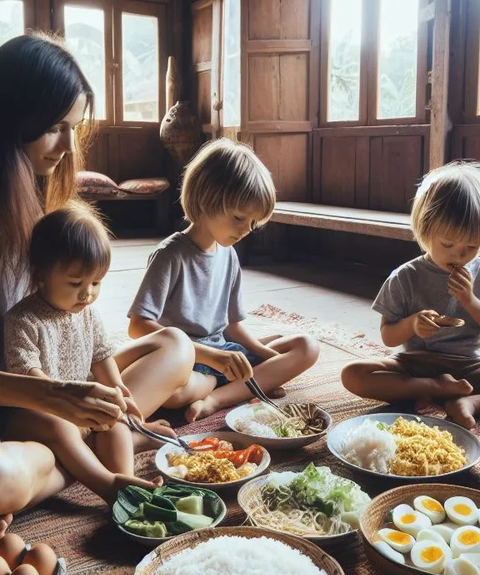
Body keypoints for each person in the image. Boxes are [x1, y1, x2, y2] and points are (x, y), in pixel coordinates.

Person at [0, 33, 194, 518]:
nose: (68, 146)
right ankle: (94, 455)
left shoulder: (45, 203)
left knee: (176, 347)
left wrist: (91, 395)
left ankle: (86, 449)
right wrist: (53, 395)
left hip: (61, 385)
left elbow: (80, 327)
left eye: (74, 128)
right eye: (53, 127)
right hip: (19, 399)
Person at [128, 138, 320, 422]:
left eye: (253, 223)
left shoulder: (228, 254)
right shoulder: (170, 255)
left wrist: (264, 354)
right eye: (240, 217)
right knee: (174, 395)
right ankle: (242, 386)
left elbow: (231, 326)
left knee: (307, 346)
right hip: (186, 360)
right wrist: (211, 357)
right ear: (207, 200)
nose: (246, 230)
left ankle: (215, 400)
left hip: (224, 353)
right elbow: (138, 327)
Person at [4, 203, 182, 504]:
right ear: (41, 273)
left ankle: (127, 477)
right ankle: (108, 484)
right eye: (75, 284)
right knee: (58, 426)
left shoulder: (87, 314)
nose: (87, 294)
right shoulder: (23, 320)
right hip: (40, 413)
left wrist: (120, 394)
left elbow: (101, 357)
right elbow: (28, 374)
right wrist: (64, 406)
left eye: (96, 283)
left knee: (113, 416)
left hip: (83, 408)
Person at [341, 160, 480, 430]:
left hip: (470, 364)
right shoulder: (406, 277)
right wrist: (412, 324)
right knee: (353, 375)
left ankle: (467, 403)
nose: (459, 255)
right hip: (415, 364)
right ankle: (435, 388)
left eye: (472, 245)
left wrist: (469, 300)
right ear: (425, 230)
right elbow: (388, 337)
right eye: (448, 244)